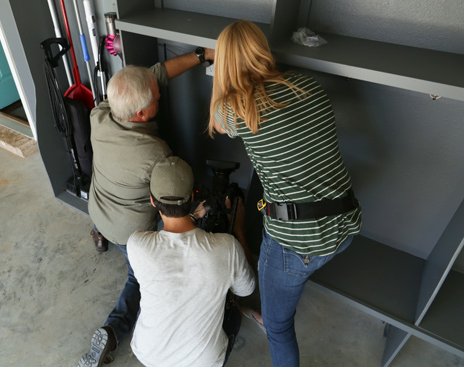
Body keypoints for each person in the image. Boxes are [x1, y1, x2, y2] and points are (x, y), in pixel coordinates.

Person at [208, 20, 362, 367]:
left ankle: (275, 315)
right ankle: (283, 297)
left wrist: (218, 71)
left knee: (279, 327)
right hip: (346, 223)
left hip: (296, 246)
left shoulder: (235, 108)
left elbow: (217, 120)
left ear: (226, 63)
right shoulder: (309, 86)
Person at [79, 48, 214, 367]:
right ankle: (112, 330)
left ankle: (99, 237)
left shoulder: (100, 114)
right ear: (141, 114)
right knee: (139, 279)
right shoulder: (155, 153)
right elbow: (167, 204)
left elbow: (156, 74)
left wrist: (202, 54)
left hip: (97, 210)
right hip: (129, 232)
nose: (160, 95)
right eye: (156, 97)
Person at [127, 156, 256, 367]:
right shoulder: (228, 246)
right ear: (193, 195)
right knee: (233, 309)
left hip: (147, 353)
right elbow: (247, 289)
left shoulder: (136, 244)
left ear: (152, 200)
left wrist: (194, 219)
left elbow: (173, 249)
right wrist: (239, 230)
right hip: (205, 362)